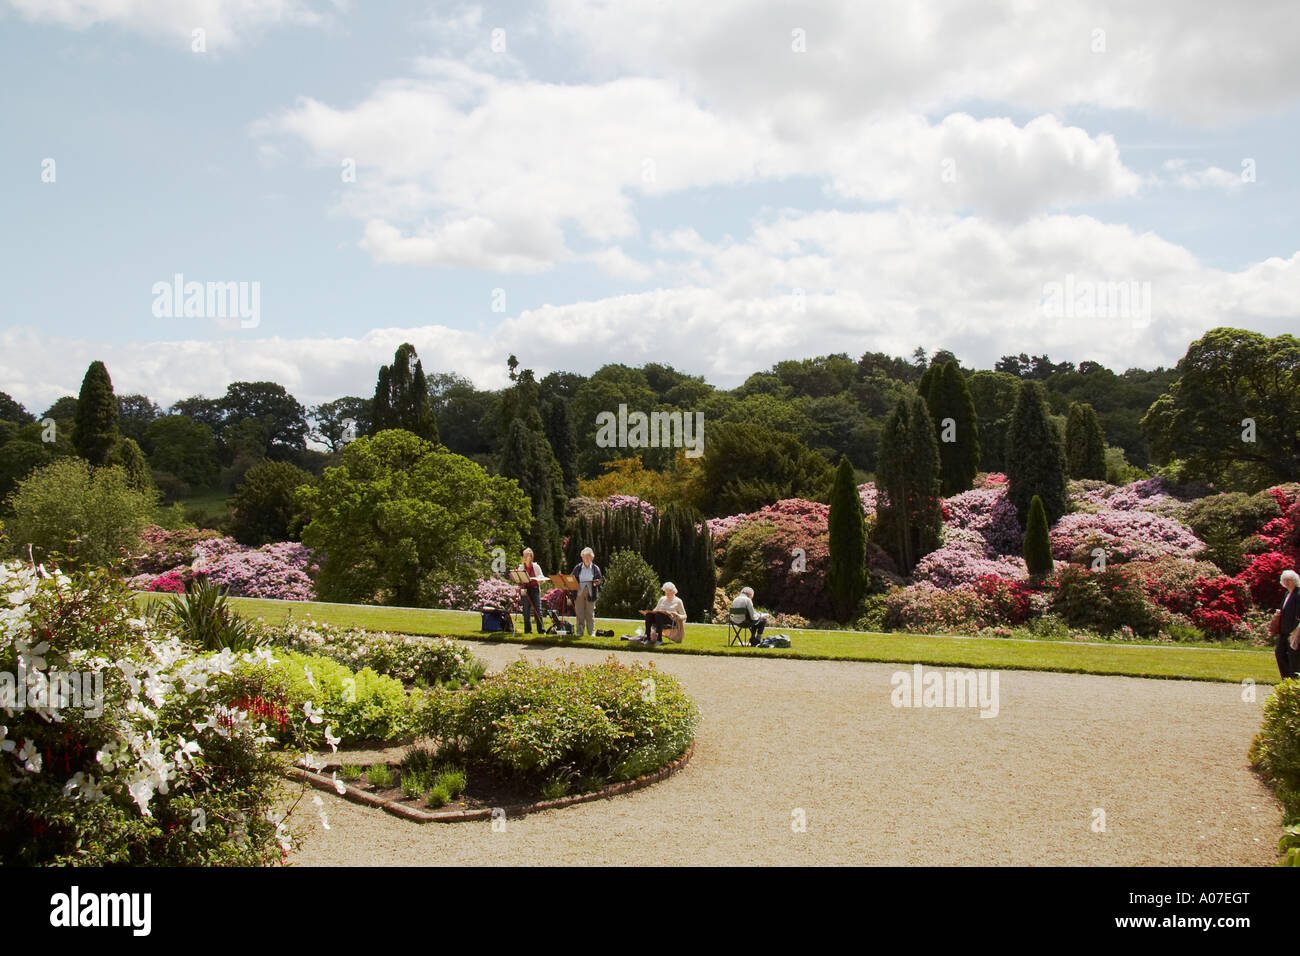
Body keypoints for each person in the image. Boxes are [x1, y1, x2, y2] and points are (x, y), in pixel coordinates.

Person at [642, 582, 686, 647]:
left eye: (668, 593)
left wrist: (677, 615)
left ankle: (659, 639)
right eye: (665, 592)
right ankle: (647, 638)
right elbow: (656, 609)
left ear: (673, 592)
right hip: (659, 618)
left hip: (670, 620)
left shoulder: (678, 601)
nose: (667, 594)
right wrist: (650, 612)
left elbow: (684, 615)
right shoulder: (662, 599)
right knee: (649, 614)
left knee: (659, 615)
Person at [571, 548, 603, 638]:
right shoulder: (578, 567)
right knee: (579, 613)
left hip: (591, 593)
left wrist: (597, 582)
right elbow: (572, 578)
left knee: (590, 613)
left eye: (589, 557)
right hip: (579, 593)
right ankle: (580, 632)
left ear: (592, 558)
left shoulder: (595, 568)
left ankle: (591, 632)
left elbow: (600, 580)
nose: (587, 559)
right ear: (582, 558)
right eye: (585, 557)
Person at [516, 548, 546, 634]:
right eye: (524, 556)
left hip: (534, 589)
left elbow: (542, 578)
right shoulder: (521, 567)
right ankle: (528, 631)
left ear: (531, 557)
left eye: (526, 556)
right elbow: (518, 579)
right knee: (526, 611)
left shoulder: (536, 566)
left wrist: (537, 579)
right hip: (525, 589)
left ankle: (541, 630)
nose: (525, 558)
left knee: (538, 610)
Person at [1277, 569, 1300, 680]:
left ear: (1294, 581)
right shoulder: (1287, 594)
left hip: (1294, 632)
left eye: (1289, 580)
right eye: (1285, 580)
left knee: (1293, 656)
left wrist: (1295, 633)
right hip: (1284, 631)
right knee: (1279, 653)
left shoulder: (1298, 594)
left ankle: (1295, 680)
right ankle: (1286, 679)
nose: (1287, 582)